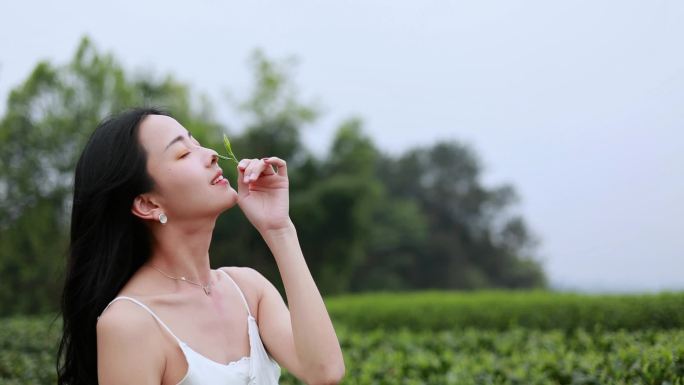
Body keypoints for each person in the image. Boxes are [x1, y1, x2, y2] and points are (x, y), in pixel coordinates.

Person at [56, 107, 345, 385]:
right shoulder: (129, 323)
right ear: (148, 203)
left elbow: (324, 372)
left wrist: (279, 229)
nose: (211, 154)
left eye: (197, 143)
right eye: (183, 153)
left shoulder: (249, 290)